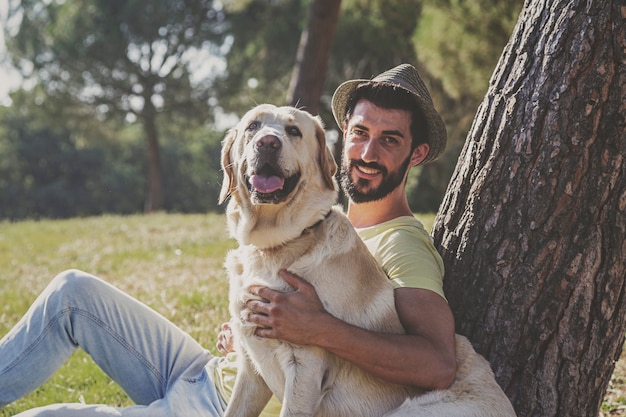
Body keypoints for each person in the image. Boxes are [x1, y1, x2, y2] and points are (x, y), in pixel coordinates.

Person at [0, 63, 455, 416]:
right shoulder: (322, 223)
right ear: (332, 150)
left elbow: (436, 364)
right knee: (72, 292)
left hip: (215, 406)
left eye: (390, 140)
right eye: (359, 134)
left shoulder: (401, 244)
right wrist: (251, 333)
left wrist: (316, 328)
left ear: (416, 153)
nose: (368, 152)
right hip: (208, 370)